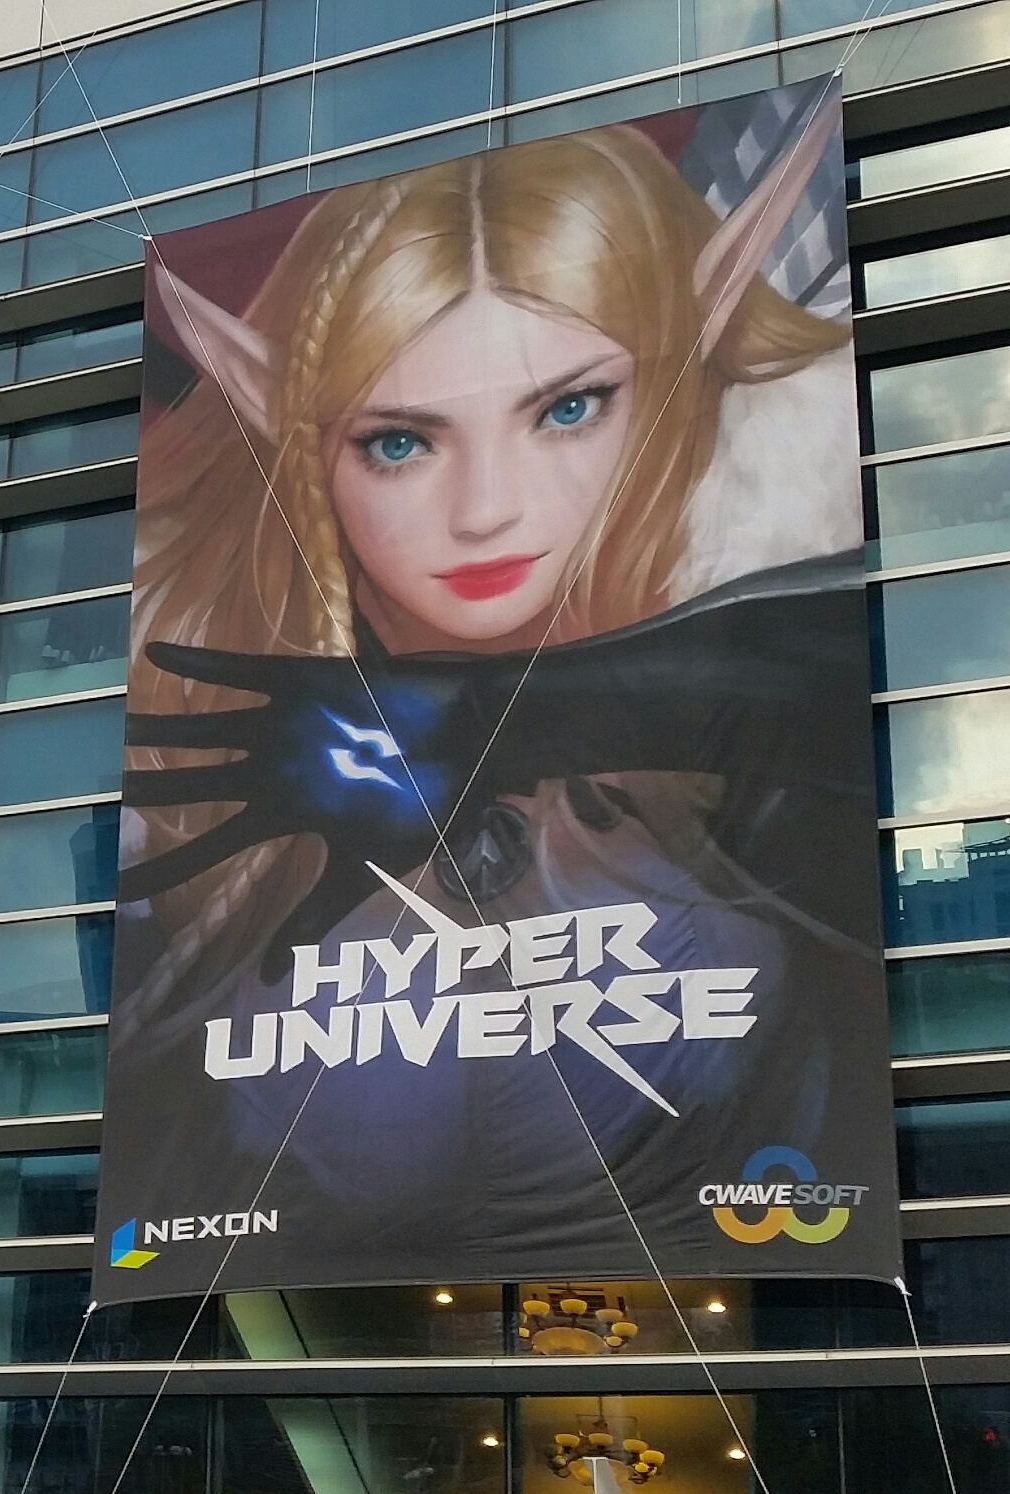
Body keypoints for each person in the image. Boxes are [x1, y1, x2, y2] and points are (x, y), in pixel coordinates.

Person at [120, 95, 868, 1010]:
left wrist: (511, 719)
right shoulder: (184, 719)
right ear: (296, 438)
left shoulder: (787, 589)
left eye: (567, 409)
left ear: (681, 378)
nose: (484, 514)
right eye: (399, 443)